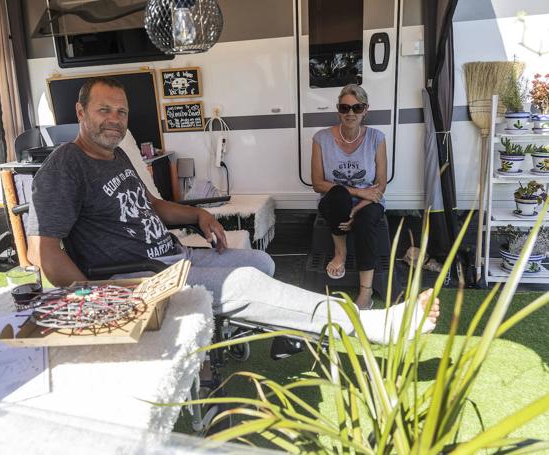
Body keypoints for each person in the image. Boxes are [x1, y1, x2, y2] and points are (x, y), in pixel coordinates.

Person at [26, 77, 440, 345]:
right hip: (138, 277)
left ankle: (289, 323)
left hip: (173, 257)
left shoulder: (115, 156)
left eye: (122, 112)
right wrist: (100, 303)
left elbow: (152, 206)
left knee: (260, 261)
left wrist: (198, 216)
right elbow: (45, 253)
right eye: (104, 110)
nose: (115, 120)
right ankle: (368, 325)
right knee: (243, 283)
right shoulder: (65, 166)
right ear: (80, 113)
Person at [311, 84, 387, 310]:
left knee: (365, 222)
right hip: (336, 201)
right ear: (338, 110)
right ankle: (340, 253)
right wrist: (356, 191)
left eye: (357, 108)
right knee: (338, 195)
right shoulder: (320, 138)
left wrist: (356, 209)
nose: (350, 113)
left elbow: (380, 185)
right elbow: (317, 184)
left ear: (366, 110)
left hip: (370, 201)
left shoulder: (376, 138)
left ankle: (366, 290)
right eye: (345, 108)